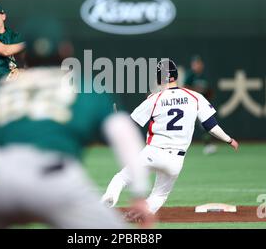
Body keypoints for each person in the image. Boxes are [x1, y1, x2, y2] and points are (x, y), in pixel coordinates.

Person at [0, 30, 155, 229]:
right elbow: (125, 135)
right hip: (54, 181)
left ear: (24, 56)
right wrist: (139, 195)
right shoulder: (83, 88)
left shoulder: (3, 92)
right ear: (66, 52)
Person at [101, 58, 239, 216]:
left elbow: (129, 126)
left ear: (159, 79)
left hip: (152, 153)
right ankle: (142, 213)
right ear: (176, 76)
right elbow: (211, 126)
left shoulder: (155, 98)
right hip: (176, 159)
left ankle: (109, 198)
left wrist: (116, 117)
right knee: (160, 195)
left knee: (122, 178)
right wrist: (229, 140)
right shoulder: (194, 97)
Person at [184, 55, 218, 155]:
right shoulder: (190, 75)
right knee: (186, 126)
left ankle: (208, 145)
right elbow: (185, 88)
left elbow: (208, 90)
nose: (197, 65)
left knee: (205, 125)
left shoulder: (203, 75)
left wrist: (208, 94)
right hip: (191, 104)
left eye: (198, 63)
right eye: (195, 64)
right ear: (192, 65)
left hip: (201, 105)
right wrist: (197, 90)